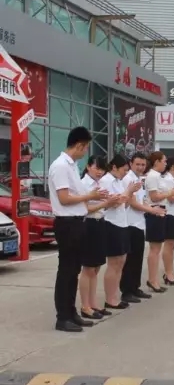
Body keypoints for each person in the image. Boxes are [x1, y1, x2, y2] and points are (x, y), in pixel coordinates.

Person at [48, 127, 109, 332]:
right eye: (85, 148)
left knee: (74, 270)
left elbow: (77, 194)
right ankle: (62, 317)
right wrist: (89, 197)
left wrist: (91, 195)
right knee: (66, 270)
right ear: (79, 145)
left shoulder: (72, 166)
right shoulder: (60, 166)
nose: (85, 152)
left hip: (78, 221)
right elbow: (64, 199)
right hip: (67, 223)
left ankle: (71, 312)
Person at [120, 152, 165, 304]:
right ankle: (126, 290)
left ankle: (135, 287)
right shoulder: (128, 179)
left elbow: (142, 201)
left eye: (143, 164)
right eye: (137, 164)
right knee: (130, 259)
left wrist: (151, 208)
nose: (140, 167)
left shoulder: (139, 179)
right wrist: (152, 210)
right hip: (129, 223)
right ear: (131, 164)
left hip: (139, 222)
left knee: (138, 258)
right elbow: (132, 202)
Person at [100, 154, 141, 310]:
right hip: (111, 223)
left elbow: (124, 204)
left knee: (121, 261)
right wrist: (129, 191)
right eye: (123, 170)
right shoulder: (106, 181)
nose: (125, 173)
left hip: (122, 222)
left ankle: (115, 294)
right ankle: (110, 298)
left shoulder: (119, 182)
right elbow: (113, 202)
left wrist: (129, 192)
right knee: (113, 262)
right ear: (114, 167)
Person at [79, 156, 117, 320]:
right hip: (88, 224)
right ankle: (85, 306)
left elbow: (104, 206)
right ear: (88, 167)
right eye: (97, 168)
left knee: (96, 267)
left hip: (100, 222)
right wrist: (104, 203)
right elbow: (84, 209)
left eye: (102, 169)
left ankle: (93, 303)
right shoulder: (83, 185)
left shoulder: (99, 184)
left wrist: (113, 201)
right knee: (88, 268)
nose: (100, 172)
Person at [144, 151, 174, 293]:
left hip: (162, 211)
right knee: (155, 249)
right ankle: (152, 279)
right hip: (154, 211)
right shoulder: (152, 176)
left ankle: (155, 279)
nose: (165, 163)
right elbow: (154, 197)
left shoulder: (157, 176)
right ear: (156, 162)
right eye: (164, 161)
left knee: (158, 248)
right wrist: (170, 193)